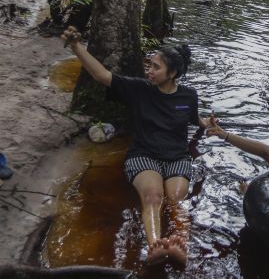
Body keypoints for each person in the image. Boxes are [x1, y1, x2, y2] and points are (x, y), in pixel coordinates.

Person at [59, 26, 213, 267]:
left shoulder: (189, 96)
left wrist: (207, 125)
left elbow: (194, 119)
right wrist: (77, 47)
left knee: (176, 199)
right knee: (153, 196)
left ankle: (179, 246)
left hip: (177, 157)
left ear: (172, 73)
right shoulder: (139, 90)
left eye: (156, 67)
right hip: (144, 156)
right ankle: (155, 247)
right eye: (149, 65)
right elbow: (102, 75)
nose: (149, 71)